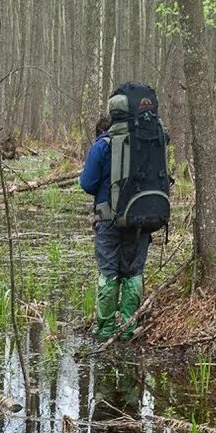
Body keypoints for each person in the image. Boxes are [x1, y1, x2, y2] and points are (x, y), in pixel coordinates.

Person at [81, 112, 151, 340]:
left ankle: (106, 329)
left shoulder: (102, 145)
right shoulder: (145, 142)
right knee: (133, 273)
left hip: (109, 220)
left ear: (102, 130)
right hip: (140, 220)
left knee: (109, 272)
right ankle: (128, 328)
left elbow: (87, 183)